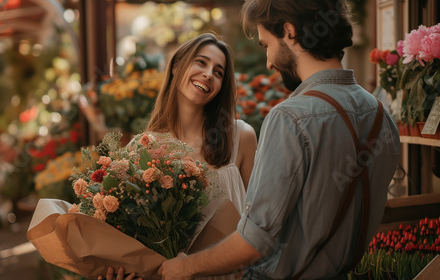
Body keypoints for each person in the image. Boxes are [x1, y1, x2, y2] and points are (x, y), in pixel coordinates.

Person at [158, 0, 401, 279]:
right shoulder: (382, 116)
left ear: (289, 31)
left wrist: (186, 266)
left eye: (266, 45)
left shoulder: (291, 118)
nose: (269, 61)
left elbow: (254, 243)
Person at [102, 33, 257, 280]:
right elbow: (131, 240)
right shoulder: (140, 150)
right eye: (201, 62)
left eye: (218, 72)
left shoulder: (241, 137)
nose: (208, 74)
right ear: (176, 66)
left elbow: (261, 224)